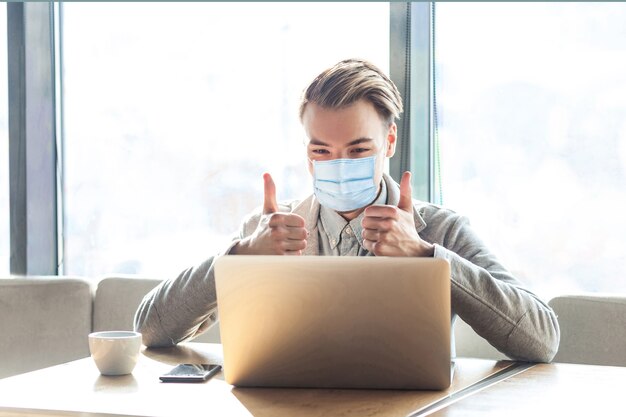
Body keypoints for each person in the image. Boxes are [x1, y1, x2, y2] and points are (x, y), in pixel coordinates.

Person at [134, 59, 559, 362]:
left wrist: (428, 259)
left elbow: (542, 339)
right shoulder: (268, 231)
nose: (338, 165)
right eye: (322, 150)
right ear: (306, 152)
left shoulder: (439, 230)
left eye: (358, 150)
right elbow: (150, 329)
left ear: (389, 142)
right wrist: (241, 257)